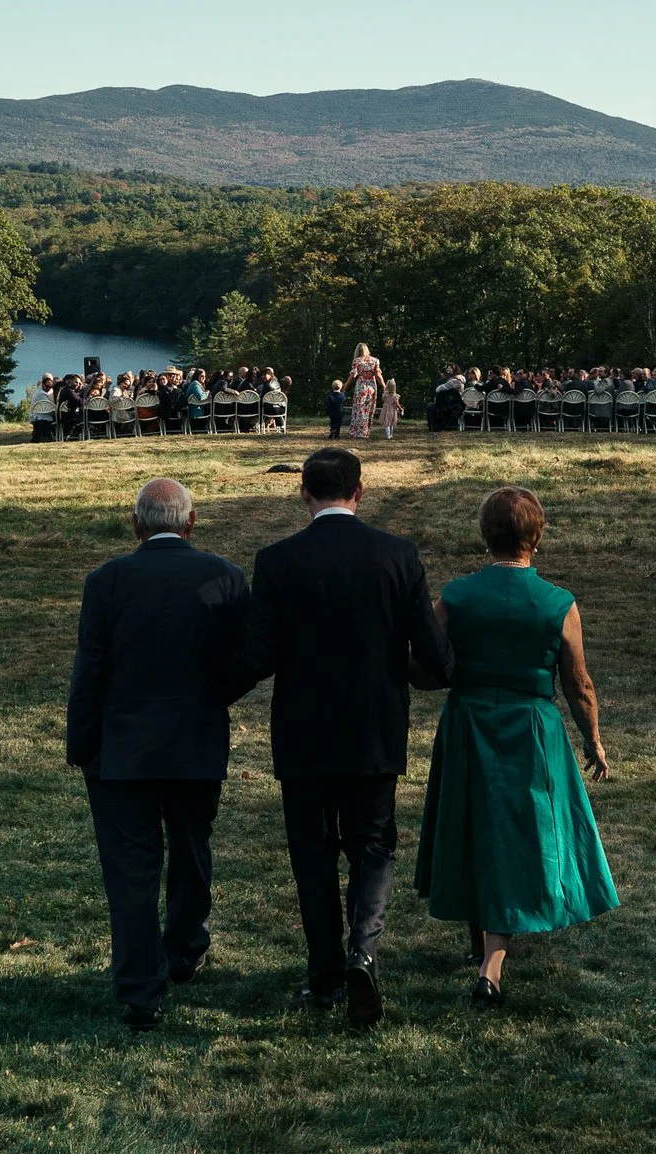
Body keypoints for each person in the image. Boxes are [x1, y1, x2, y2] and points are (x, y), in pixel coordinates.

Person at [236, 446, 453, 1027]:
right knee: (374, 843)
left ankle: (325, 972)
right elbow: (433, 652)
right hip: (374, 725)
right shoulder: (397, 555)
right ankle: (364, 950)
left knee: (312, 854)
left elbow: (257, 655)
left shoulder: (277, 561)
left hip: (303, 729)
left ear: (303, 493)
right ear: (361, 492)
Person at [415, 486, 617, 1008]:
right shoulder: (558, 602)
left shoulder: (456, 597)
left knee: (476, 823)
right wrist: (592, 740)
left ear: (486, 535)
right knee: (518, 831)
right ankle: (491, 965)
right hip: (530, 727)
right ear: (537, 535)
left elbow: (428, 662)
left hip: (468, 722)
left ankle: (481, 947)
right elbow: (579, 685)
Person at [66, 478, 255, 1031]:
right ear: (191, 523)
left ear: (136, 525)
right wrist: (212, 698)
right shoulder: (224, 576)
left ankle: (140, 988)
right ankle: (185, 947)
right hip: (196, 737)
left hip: (121, 746)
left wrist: (81, 743)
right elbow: (243, 661)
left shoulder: (108, 580)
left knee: (130, 870)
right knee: (193, 850)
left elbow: (91, 669)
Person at [347, 342, 382, 439]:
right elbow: (378, 375)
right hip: (371, 386)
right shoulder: (375, 361)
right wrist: (384, 386)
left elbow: (353, 375)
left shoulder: (357, 361)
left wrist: (346, 385)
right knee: (369, 409)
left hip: (361, 386)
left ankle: (357, 432)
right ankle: (366, 432)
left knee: (359, 408)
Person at [27, 374, 59, 443]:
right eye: (47, 386)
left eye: (51, 387)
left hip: (37, 415)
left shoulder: (41, 391)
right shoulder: (41, 393)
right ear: (43, 384)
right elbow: (50, 408)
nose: (49, 388)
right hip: (41, 416)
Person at [379, 372, 402, 441]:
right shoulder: (395, 396)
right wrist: (400, 409)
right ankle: (390, 435)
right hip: (393, 410)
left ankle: (388, 435)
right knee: (391, 423)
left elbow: (383, 399)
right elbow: (397, 404)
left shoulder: (385, 395)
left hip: (386, 409)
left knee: (387, 423)